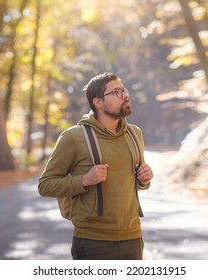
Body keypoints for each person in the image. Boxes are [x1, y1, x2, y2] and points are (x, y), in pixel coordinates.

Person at [38, 72, 153, 260]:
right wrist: (84, 180)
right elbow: (45, 185)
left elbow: (137, 183)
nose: (125, 95)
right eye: (116, 92)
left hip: (133, 237)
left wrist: (144, 179)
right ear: (98, 102)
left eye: (123, 90)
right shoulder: (73, 137)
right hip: (93, 242)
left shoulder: (135, 134)